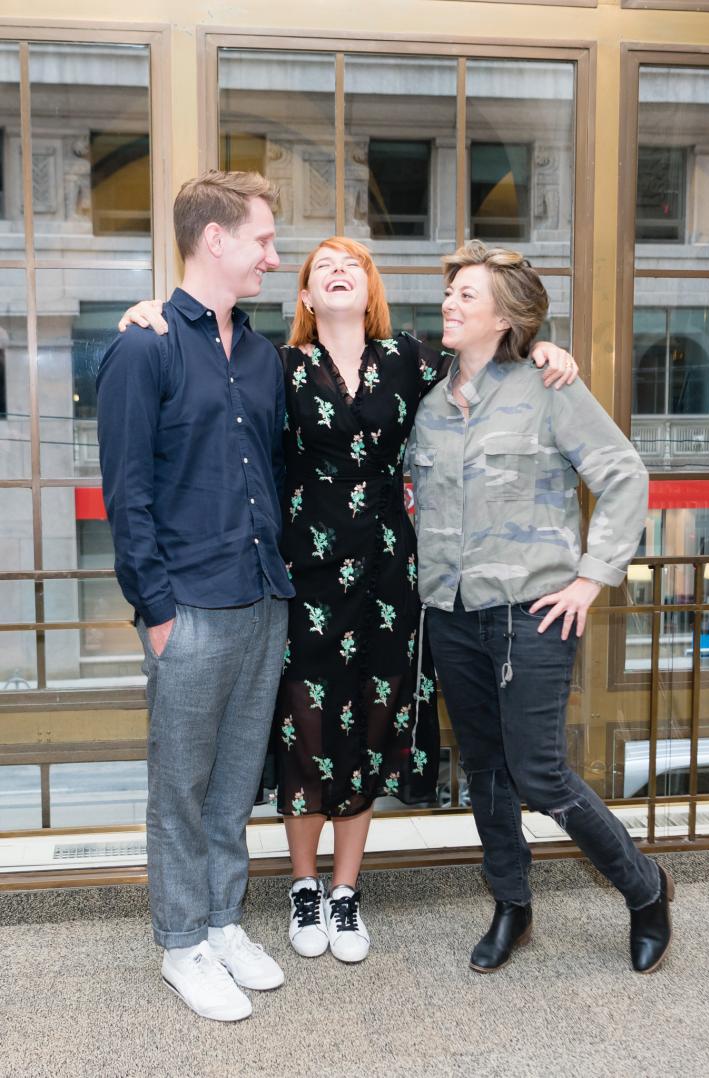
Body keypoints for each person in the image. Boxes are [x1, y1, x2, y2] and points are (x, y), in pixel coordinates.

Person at [120, 231, 577, 967]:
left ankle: (344, 892)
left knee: (369, 722)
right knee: (304, 729)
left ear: (370, 289)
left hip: (389, 577)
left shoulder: (414, 359)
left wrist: (548, 350)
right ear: (304, 296)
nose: (336, 272)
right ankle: (302, 888)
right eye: (320, 267)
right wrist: (148, 313)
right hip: (301, 578)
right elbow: (209, 361)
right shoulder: (275, 365)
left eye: (352, 265)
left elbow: (494, 353)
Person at [409, 239, 673, 976]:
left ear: (505, 316)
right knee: (486, 771)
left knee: (540, 772)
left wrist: (591, 578)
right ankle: (512, 906)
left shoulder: (548, 387)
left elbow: (624, 475)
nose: (450, 303)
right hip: (452, 612)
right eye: (451, 291)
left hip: (534, 611)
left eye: (467, 294)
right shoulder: (425, 398)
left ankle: (645, 888)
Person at [97, 170, 293, 1022]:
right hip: (190, 608)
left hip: (263, 599)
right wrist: (157, 611)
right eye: (262, 240)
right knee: (178, 786)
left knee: (234, 784)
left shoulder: (258, 353)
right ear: (214, 239)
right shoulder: (143, 347)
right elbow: (125, 492)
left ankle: (220, 921)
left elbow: (278, 471)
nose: (272, 258)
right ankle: (181, 943)